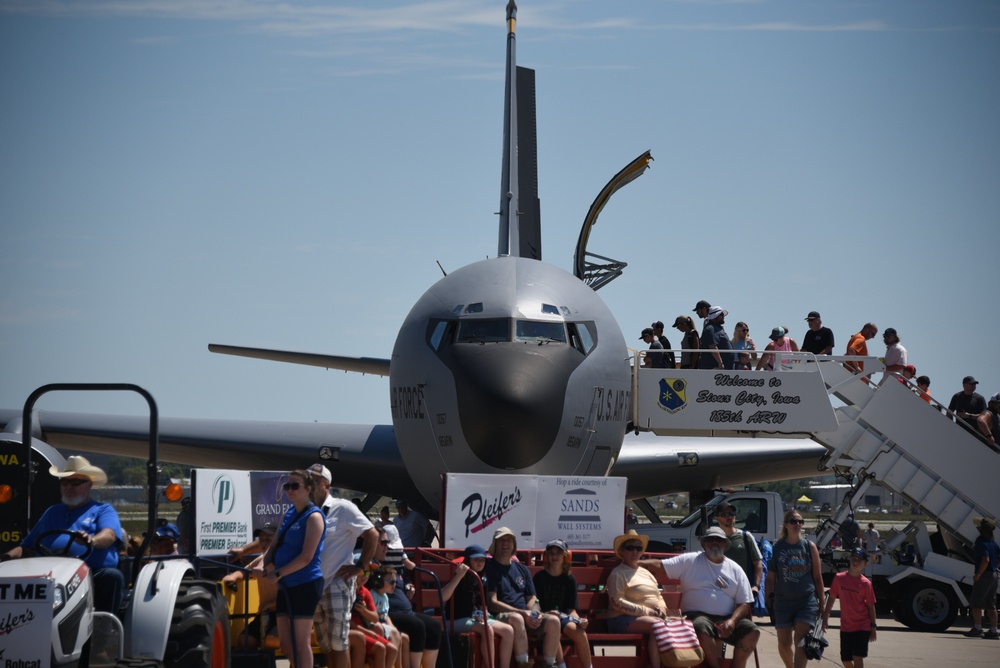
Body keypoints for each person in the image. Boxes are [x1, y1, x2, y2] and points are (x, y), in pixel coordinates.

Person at [2, 456, 124, 615]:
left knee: (112, 576)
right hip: (49, 576)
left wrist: (91, 540)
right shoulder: (52, 512)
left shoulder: (103, 510)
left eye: (76, 482)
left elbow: (109, 535)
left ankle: (103, 628)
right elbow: (27, 547)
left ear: (89, 485)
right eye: (65, 482)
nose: (69, 487)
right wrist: (4, 558)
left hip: (90, 575)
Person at [639, 527, 760, 668]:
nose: (714, 543)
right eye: (710, 540)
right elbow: (660, 565)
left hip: (727, 619)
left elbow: (744, 603)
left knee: (753, 632)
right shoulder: (691, 560)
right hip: (696, 616)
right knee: (701, 627)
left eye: (719, 540)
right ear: (703, 544)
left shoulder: (735, 569)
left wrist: (732, 621)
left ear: (725, 545)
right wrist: (636, 562)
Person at [308, 462, 380, 668]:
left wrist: (361, 566)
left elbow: (372, 533)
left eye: (315, 481)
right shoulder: (307, 511)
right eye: (308, 480)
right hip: (315, 585)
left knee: (339, 643)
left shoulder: (343, 507)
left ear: (327, 486)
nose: (310, 485)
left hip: (338, 582)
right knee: (326, 645)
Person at [259, 470, 326, 668]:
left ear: (308, 489)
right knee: (286, 644)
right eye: (287, 486)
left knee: (301, 643)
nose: (290, 490)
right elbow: (275, 543)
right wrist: (264, 565)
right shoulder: (288, 513)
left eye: (295, 486)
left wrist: (277, 574)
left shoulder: (314, 517)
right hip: (285, 585)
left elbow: (306, 557)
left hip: (305, 584)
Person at [484, 526, 562, 668]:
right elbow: (492, 602)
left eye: (509, 540)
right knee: (517, 618)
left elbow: (532, 598)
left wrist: (534, 613)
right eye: (501, 540)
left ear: (514, 545)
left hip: (524, 615)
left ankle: (549, 665)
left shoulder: (522, 568)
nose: (505, 544)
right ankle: (523, 664)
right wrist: (523, 613)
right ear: (495, 544)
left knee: (554, 621)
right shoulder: (490, 567)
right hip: (500, 616)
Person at [374, 526, 443, 668]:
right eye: (383, 544)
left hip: (406, 611)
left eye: (388, 544)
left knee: (434, 625)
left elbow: (400, 583)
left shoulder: (394, 569)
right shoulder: (375, 567)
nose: (387, 548)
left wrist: (408, 589)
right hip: (389, 612)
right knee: (417, 626)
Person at [765, 510, 825, 668]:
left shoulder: (809, 546)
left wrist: (822, 604)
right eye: (793, 521)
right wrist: (767, 600)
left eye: (800, 521)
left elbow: (818, 577)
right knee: (784, 645)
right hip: (783, 602)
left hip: (806, 601)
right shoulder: (778, 547)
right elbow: (771, 577)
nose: (797, 524)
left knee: (800, 641)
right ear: (786, 524)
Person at [441, 544, 515, 668]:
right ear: (468, 560)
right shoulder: (459, 576)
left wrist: (484, 613)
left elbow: (483, 606)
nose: (480, 562)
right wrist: (459, 576)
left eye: (482, 560)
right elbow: (442, 597)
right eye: (476, 559)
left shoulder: (483, 578)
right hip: (455, 620)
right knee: (487, 629)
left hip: (474, 619)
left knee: (508, 630)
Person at [604, 530, 669, 668]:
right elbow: (617, 603)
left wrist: (662, 608)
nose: (635, 551)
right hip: (621, 619)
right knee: (657, 626)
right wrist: (648, 611)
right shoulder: (617, 573)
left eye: (638, 548)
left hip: (649, 617)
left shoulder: (646, 572)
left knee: (669, 625)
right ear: (622, 551)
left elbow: (658, 595)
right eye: (630, 548)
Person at [533, 539, 591, 668]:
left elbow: (571, 610)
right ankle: (561, 665)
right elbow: (535, 605)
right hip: (545, 618)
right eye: (551, 553)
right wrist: (547, 613)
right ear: (547, 556)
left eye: (558, 553)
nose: (554, 556)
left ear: (565, 556)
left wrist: (579, 620)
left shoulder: (569, 579)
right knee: (554, 625)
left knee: (579, 632)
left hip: (564, 616)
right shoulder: (539, 577)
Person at [223, 527, 280, 650]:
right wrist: (232, 576)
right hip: (264, 613)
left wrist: (272, 603)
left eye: (268, 539)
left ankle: (305, 639)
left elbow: (295, 593)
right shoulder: (260, 560)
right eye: (261, 540)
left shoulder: (285, 561)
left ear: (277, 541)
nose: (264, 543)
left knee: (271, 641)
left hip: (283, 612)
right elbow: (244, 573)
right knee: (244, 641)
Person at [822, 547, 877, 668]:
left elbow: (871, 605)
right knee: (845, 660)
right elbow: (832, 597)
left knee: (857, 656)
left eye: (859, 560)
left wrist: (873, 626)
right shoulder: (839, 578)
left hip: (862, 626)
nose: (855, 562)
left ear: (865, 564)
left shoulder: (866, 583)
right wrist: (826, 615)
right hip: (846, 626)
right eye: (853, 559)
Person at [713, 503, 763, 606]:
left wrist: (756, 586)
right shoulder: (713, 539)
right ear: (717, 518)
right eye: (724, 514)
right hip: (719, 593)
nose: (730, 517)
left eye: (732, 513)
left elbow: (758, 563)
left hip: (743, 593)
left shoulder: (746, 536)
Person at [963, 517, 999, 639]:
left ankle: (977, 628)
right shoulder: (993, 543)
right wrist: (995, 567)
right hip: (994, 574)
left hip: (985, 574)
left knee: (976, 603)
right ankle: (994, 631)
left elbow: (986, 559)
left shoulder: (981, 542)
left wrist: (978, 574)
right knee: (991, 605)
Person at [699, 305, 734, 371]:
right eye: (721, 314)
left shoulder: (717, 328)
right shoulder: (711, 328)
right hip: (716, 368)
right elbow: (712, 346)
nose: (723, 316)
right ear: (715, 316)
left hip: (722, 369)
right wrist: (720, 363)